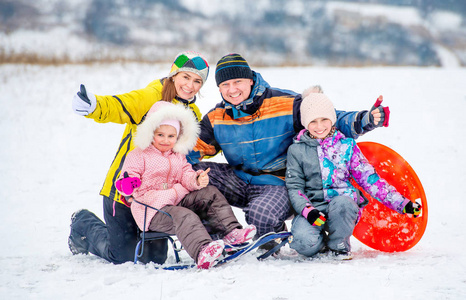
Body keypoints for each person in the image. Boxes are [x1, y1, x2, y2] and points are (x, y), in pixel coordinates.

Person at [187, 53, 389, 249]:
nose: (232, 90)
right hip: (238, 180)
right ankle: (220, 239)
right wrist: (162, 160)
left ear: (250, 80)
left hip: (277, 183)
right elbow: (193, 149)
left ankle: (271, 237)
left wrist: (365, 119)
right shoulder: (217, 117)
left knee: (261, 216)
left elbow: (327, 119)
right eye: (225, 85)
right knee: (193, 174)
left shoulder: (285, 104)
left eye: (237, 81)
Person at [68, 51, 210, 264]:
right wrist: (94, 106)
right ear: (173, 75)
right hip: (125, 190)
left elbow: (192, 147)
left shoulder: (192, 112)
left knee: (155, 258)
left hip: (156, 198)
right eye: (185, 77)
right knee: (124, 256)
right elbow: (123, 105)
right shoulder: (152, 96)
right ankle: (83, 223)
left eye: (197, 81)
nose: (190, 85)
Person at [115, 101, 256, 269]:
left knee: (210, 192)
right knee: (184, 216)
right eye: (160, 135)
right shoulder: (139, 154)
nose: (166, 140)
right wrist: (128, 184)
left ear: (178, 137)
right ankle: (203, 251)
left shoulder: (177, 155)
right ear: (151, 132)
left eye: (171, 136)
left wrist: (195, 180)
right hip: (151, 210)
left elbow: (185, 174)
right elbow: (127, 179)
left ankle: (231, 233)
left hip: (177, 200)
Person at [285, 91, 422, 259]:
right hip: (314, 208)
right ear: (306, 123)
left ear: (332, 119)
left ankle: (338, 243)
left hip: (342, 207)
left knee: (343, 204)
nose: (319, 126)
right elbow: (294, 187)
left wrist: (403, 204)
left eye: (324, 120)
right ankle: (320, 245)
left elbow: (371, 181)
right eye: (313, 121)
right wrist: (308, 211)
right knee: (302, 242)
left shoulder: (347, 146)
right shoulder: (296, 150)